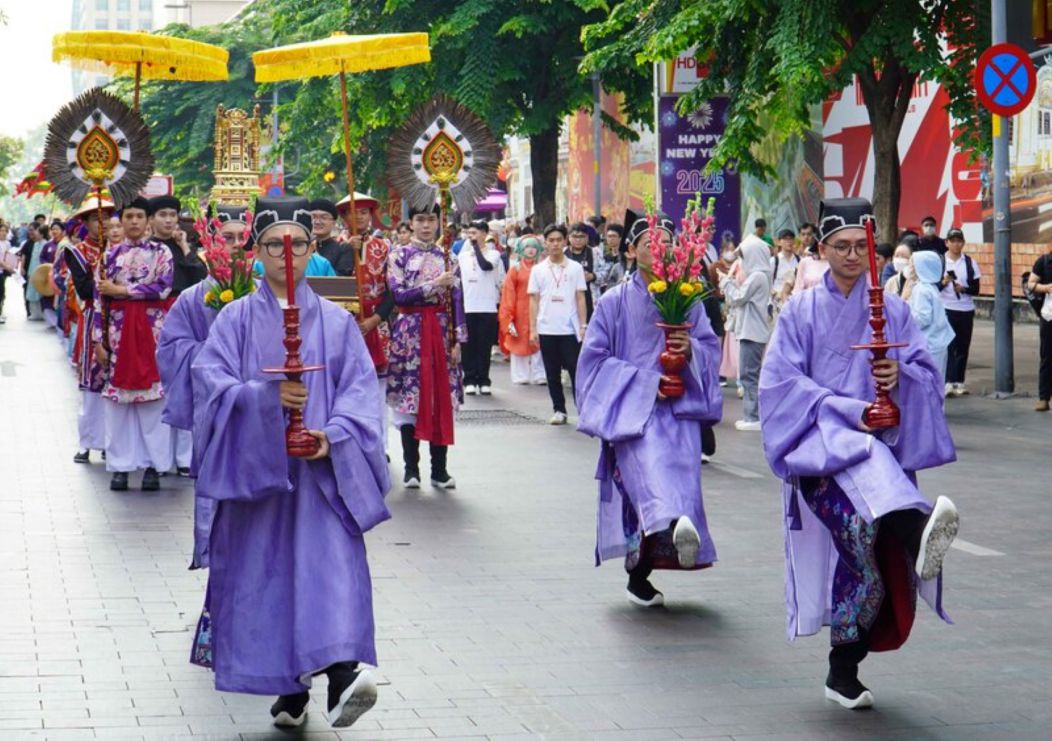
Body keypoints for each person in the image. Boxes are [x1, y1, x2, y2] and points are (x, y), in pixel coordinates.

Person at [189, 196, 388, 729]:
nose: (286, 254)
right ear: (256, 253)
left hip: (321, 478)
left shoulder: (337, 322)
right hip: (258, 480)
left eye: (297, 244)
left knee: (329, 573)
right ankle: (290, 687)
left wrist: (332, 437)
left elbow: (360, 391)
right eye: (274, 245)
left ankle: (344, 675)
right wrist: (263, 399)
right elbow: (210, 385)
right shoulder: (233, 320)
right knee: (269, 580)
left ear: (311, 248)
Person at [760, 197, 960, 711]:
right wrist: (847, 409)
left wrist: (902, 378)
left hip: (876, 452)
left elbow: (925, 371)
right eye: (841, 246)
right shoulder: (801, 310)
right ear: (821, 249)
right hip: (819, 449)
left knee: (869, 546)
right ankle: (917, 538)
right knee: (862, 539)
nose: (851, 255)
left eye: (860, 246)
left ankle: (842, 669)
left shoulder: (892, 309)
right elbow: (780, 383)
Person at [576, 209, 722, 607]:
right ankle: (650, 557)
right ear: (630, 251)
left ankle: (677, 529)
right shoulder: (612, 302)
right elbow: (593, 361)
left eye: (670, 244)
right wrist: (646, 383)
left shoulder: (688, 297)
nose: (662, 250)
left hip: (679, 410)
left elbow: (710, 347)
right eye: (650, 244)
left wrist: (690, 351)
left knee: (682, 478)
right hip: (633, 414)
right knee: (648, 480)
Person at [157, 204, 250, 567]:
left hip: (258, 408)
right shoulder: (193, 298)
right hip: (213, 407)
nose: (236, 245)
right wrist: (215, 357)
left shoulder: (264, 292)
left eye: (243, 238)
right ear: (211, 243)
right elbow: (172, 349)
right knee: (217, 494)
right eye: (227, 238)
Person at [94, 197, 175, 492]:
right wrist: (98, 341)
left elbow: (163, 286)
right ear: (122, 219)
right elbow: (97, 299)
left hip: (153, 331)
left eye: (140, 216)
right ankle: (120, 466)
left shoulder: (161, 252)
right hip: (115, 331)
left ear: (148, 219)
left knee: (154, 402)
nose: (135, 222)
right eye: (129, 216)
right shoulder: (109, 256)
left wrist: (122, 289)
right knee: (117, 405)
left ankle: (154, 465)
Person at [386, 203, 465, 489]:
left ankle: (439, 470)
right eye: (420, 219)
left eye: (432, 219)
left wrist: (458, 339)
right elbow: (399, 296)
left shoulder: (448, 256)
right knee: (411, 399)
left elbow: (457, 299)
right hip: (410, 333)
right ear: (411, 223)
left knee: (439, 397)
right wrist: (433, 285)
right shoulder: (398, 255)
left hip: (441, 333)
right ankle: (411, 469)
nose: (426, 225)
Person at [149, 195, 206, 477]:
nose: (169, 220)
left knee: (184, 383)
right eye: (162, 214)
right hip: (153, 319)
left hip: (184, 318)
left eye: (173, 214)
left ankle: (185, 458)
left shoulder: (186, 247)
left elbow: (200, 278)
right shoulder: (146, 250)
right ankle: (158, 457)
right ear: (151, 219)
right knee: (157, 388)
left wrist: (184, 245)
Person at [336, 192, 397, 449]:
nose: (358, 217)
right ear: (344, 216)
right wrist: (350, 252)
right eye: (353, 212)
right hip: (344, 325)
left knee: (378, 388)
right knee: (347, 385)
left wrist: (375, 319)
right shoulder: (336, 247)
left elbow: (393, 289)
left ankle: (379, 444)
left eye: (363, 212)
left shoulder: (383, 247)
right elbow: (333, 284)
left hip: (376, 322)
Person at [66, 199, 116, 464]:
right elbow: (85, 290)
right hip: (92, 321)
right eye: (97, 218)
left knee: (116, 382)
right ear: (85, 223)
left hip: (119, 320)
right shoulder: (77, 252)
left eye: (107, 217)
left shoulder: (122, 249)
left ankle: (112, 441)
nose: (103, 222)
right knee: (92, 383)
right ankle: (87, 442)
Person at [528, 224, 588, 425]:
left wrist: (583, 325)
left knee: (575, 370)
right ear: (545, 243)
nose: (555, 244)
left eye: (558, 240)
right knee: (551, 371)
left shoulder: (575, 268)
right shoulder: (538, 269)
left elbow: (580, 297)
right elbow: (534, 300)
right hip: (547, 327)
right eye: (551, 240)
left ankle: (583, 410)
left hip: (570, 328)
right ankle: (559, 410)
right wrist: (533, 328)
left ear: (565, 242)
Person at [719, 236, 772, 431]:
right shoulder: (761, 275)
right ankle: (751, 415)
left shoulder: (757, 276)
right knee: (750, 375)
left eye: (744, 255)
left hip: (752, 332)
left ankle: (752, 416)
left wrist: (726, 283)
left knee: (749, 376)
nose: (742, 259)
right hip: (752, 331)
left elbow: (738, 298)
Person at [458, 220, 505, 395]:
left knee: (484, 345)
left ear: (485, 234)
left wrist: (476, 247)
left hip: (487, 306)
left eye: (475, 233)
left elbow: (485, 266)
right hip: (468, 306)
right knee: (468, 345)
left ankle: (484, 379)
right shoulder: (463, 257)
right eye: (469, 233)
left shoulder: (494, 254)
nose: (471, 237)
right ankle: (469, 379)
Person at [498, 235, 545, 384]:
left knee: (540, 341)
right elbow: (508, 292)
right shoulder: (515, 269)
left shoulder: (543, 268)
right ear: (521, 249)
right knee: (519, 340)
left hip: (540, 308)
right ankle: (520, 375)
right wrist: (508, 315)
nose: (530, 250)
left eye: (533, 246)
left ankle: (540, 374)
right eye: (527, 247)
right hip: (519, 310)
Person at [940, 228, 980, 397]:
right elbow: (934, 286)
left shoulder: (970, 263)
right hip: (947, 307)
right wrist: (944, 281)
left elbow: (976, 289)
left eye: (959, 241)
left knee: (963, 345)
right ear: (946, 242)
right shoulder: (941, 262)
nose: (956, 244)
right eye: (952, 240)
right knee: (949, 345)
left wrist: (963, 288)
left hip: (965, 308)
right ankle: (948, 381)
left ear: (963, 243)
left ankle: (959, 381)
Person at [908, 251, 955, 387]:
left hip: (928, 343)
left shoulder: (921, 289)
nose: (910, 268)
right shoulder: (931, 287)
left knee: (928, 385)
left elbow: (922, 318)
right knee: (936, 382)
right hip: (937, 341)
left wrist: (905, 314)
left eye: (912, 264)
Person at [1027, 243, 1052, 412]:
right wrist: (1046, 288)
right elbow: (1031, 284)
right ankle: (1044, 398)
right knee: (1047, 357)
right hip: (1049, 316)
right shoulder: (1044, 261)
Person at [565, 222, 597, 320]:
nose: (578, 240)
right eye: (574, 236)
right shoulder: (563, 253)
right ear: (569, 237)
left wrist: (592, 276)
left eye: (582, 236)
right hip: (567, 295)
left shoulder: (595, 252)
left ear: (587, 238)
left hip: (589, 295)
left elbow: (606, 273)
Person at [19, 224, 48, 320]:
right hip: (32, 271)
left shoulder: (46, 244)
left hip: (41, 273)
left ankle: (41, 313)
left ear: (42, 234)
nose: (35, 233)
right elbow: (31, 259)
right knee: (31, 293)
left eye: (37, 232)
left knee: (40, 294)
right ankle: (34, 313)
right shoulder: (35, 244)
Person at [770, 228, 799, 307]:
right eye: (786, 239)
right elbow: (767, 282)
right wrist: (774, 293)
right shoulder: (773, 261)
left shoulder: (800, 260)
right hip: (777, 302)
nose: (789, 242)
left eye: (791, 239)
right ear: (779, 242)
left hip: (794, 302)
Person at [595, 223, 623, 294]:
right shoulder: (604, 256)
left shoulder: (625, 257)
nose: (610, 239)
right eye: (608, 236)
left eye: (613, 236)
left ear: (620, 238)